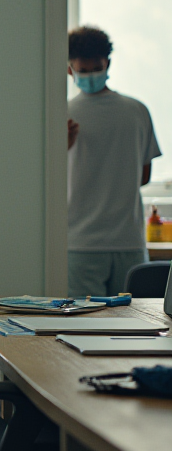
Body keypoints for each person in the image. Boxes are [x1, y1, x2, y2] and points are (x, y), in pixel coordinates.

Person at [67, 25, 161, 298]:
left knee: (83, 329)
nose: (90, 76)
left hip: (85, 244)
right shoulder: (136, 110)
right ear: (70, 68)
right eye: (84, 70)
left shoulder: (63, 113)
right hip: (118, 242)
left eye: (94, 69)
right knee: (132, 331)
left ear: (108, 63)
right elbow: (143, 175)